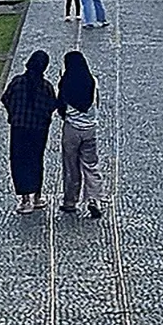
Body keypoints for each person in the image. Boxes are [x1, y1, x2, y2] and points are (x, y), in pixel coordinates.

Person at [0, 50, 56, 211]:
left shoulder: (17, 82)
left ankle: (25, 199)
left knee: (19, 161)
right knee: (36, 160)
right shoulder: (46, 86)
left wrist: (13, 114)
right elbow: (52, 105)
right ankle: (37, 196)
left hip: (19, 128)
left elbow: (5, 98)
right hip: (38, 130)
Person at [56, 51, 103, 218]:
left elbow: (60, 107)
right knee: (91, 165)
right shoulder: (92, 81)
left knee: (71, 166)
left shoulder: (66, 83)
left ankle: (70, 201)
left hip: (71, 130)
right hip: (90, 130)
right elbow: (97, 102)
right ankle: (94, 199)